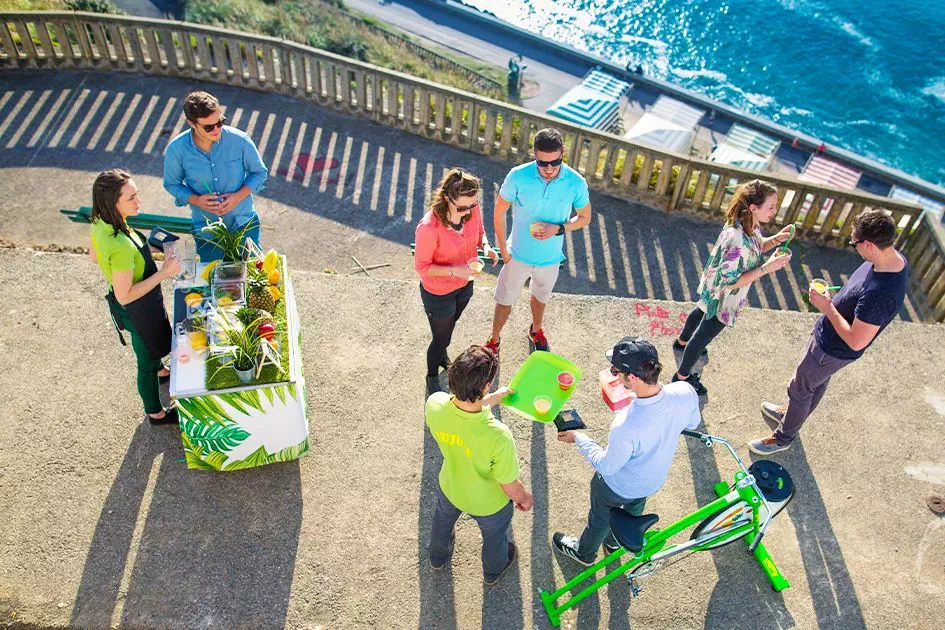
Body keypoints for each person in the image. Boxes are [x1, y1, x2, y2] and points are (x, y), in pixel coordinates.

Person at [749, 209, 909, 454]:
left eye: (854, 242)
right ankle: (792, 414)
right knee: (813, 384)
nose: (853, 247)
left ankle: (783, 437)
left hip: (832, 349)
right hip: (829, 338)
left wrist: (826, 306)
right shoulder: (892, 259)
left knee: (799, 387)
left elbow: (857, 341)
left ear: (868, 244)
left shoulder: (882, 294)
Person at [552, 337, 701, 565]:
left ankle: (585, 554)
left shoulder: (626, 424)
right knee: (633, 509)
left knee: (600, 519)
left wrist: (579, 438)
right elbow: (691, 424)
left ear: (631, 377)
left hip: (617, 486)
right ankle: (614, 543)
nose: (614, 374)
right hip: (651, 481)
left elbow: (606, 466)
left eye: (616, 370)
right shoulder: (685, 391)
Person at [672, 179, 794, 396]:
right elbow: (731, 282)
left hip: (713, 286)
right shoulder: (737, 238)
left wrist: (776, 240)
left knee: (700, 309)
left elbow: (758, 244)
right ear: (754, 208)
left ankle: (681, 342)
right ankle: (682, 377)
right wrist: (767, 268)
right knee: (701, 339)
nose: (775, 211)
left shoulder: (746, 221)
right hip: (724, 296)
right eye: (771, 207)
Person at [425, 345, 533, 586]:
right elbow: (509, 484)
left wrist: (492, 399)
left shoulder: (434, 403)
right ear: (485, 386)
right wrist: (524, 498)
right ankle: (493, 571)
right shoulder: (498, 436)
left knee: (441, 523)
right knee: (495, 539)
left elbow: (462, 411)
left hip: (451, 487)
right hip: (488, 504)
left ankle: (437, 556)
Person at [485, 128, 592, 356]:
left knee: (541, 297)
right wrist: (504, 249)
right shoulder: (517, 175)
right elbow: (499, 210)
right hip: (517, 254)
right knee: (504, 300)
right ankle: (494, 339)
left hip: (551, 258)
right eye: (543, 163)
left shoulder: (576, 182)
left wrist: (559, 227)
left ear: (563, 152)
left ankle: (536, 330)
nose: (550, 169)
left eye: (555, 162)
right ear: (534, 154)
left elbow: (585, 217)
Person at [88, 169, 181, 425]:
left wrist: (140, 253)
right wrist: (164, 274)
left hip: (134, 306)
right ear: (112, 203)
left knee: (153, 348)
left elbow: (94, 256)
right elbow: (126, 295)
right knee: (146, 361)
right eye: (131, 198)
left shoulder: (99, 223)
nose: (138, 201)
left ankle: (162, 372)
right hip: (137, 309)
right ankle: (156, 412)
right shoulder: (120, 249)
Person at [415, 169, 498, 394]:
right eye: (461, 208)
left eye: (472, 205)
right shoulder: (429, 228)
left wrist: (486, 246)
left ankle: (442, 354)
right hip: (438, 291)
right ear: (446, 198)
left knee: (449, 328)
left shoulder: (471, 207)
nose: (467, 212)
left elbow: (479, 231)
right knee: (441, 337)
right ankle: (432, 375)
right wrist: (454, 271)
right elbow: (422, 267)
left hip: (464, 283)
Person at [163, 90, 268, 262]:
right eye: (208, 127)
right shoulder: (177, 149)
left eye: (220, 122)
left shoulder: (240, 140)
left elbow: (260, 173)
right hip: (207, 228)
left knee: (252, 273)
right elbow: (171, 184)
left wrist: (237, 197)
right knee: (214, 279)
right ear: (192, 123)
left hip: (244, 222)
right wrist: (197, 200)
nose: (216, 129)